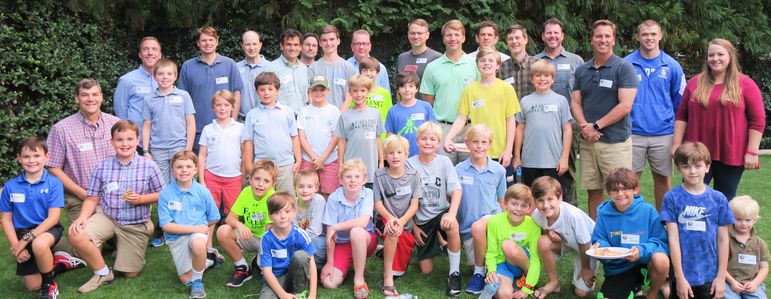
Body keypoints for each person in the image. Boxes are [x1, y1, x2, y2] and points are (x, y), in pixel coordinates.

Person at [68, 120, 164, 293]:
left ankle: (123, 248)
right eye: (119, 140)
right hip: (108, 216)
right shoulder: (102, 167)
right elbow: (92, 198)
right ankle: (103, 272)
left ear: (137, 141)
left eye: (129, 139)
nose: (125, 144)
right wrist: (82, 218)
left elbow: (163, 195)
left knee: (130, 273)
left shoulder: (149, 166)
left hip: (134, 223)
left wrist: (141, 199)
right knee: (77, 234)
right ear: (112, 142)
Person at [672, 38, 765, 200]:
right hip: (696, 153)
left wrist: (752, 151)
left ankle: (722, 227)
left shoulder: (746, 84)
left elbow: (757, 119)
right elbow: (682, 115)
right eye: (711, 55)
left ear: (730, 56)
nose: (715, 59)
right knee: (691, 197)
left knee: (725, 201)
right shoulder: (695, 83)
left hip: (731, 153)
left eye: (720, 54)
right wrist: (676, 144)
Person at [571, 19, 638, 219]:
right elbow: (575, 103)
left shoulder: (623, 67)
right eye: (599, 36)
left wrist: (596, 125)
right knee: (594, 191)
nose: (603, 40)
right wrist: (585, 127)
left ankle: (626, 233)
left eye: (607, 36)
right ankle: (598, 234)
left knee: (622, 190)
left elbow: (625, 105)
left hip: (615, 142)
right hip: (589, 141)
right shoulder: (582, 70)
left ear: (613, 40)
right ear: (592, 39)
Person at [624, 20, 686, 210]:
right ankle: (634, 223)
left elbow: (680, 101)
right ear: (638, 37)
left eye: (653, 34)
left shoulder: (672, 66)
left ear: (660, 36)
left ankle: (664, 224)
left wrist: (668, 121)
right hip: (633, 132)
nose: (649, 38)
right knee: (630, 183)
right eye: (645, 34)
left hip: (663, 133)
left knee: (663, 181)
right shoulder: (627, 63)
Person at [663, 142, 734, 299]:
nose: (692, 171)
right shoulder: (672, 197)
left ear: (707, 167)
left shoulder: (718, 199)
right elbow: (673, 239)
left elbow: (723, 239)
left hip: (710, 273)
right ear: (679, 168)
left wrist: (721, 277)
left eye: (697, 166)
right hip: (683, 273)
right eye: (686, 166)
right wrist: (680, 278)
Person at [47, 79, 120, 224]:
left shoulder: (116, 124)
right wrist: (82, 194)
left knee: (124, 236)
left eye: (95, 94)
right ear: (77, 98)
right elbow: (52, 167)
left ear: (101, 97)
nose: (90, 99)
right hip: (80, 197)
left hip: (115, 193)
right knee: (83, 239)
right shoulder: (61, 129)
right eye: (85, 95)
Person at [444, 47, 520, 185]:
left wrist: (508, 149)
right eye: (482, 60)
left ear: (497, 65)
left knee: (504, 196)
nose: (486, 63)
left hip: (500, 152)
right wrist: (448, 137)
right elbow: (462, 117)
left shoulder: (506, 89)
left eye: (491, 60)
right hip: (478, 152)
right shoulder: (469, 90)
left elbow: (510, 121)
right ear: (477, 65)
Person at [1, 137, 65, 298]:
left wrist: (24, 241)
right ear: (19, 159)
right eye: (26, 156)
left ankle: (49, 286)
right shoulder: (10, 186)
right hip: (22, 233)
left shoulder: (54, 183)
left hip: (49, 229)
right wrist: (16, 245)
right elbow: (6, 220)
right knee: (32, 286)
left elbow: (52, 218)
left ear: (46, 158)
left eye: (37, 156)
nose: (32, 161)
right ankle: (60, 263)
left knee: (39, 244)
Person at [591, 167, 670, 299]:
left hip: (646, 261)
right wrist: (601, 248)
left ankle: (652, 293)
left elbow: (661, 242)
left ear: (635, 190)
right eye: (615, 190)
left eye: (625, 189)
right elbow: (599, 240)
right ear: (609, 193)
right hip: (620, 268)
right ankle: (634, 288)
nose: (620, 194)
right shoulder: (604, 215)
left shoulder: (648, 211)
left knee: (661, 259)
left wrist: (641, 250)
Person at [406, 122, 463, 296]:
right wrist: (413, 226)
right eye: (424, 139)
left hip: (441, 214)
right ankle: (439, 243)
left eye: (432, 139)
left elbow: (457, 191)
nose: (428, 143)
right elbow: (404, 200)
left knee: (452, 225)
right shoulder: (409, 164)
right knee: (426, 270)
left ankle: (454, 273)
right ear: (417, 142)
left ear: (438, 143)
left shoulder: (444, 162)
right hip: (421, 219)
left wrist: (452, 215)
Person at [534, 18, 584, 206]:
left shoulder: (576, 61)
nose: (553, 36)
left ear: (562, 35)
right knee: (543, 174)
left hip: (568, 127)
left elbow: (581, 94)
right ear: (543, 36)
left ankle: (570, 216)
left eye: (556, 32)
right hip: (542, 128)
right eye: (549, 33)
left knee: (567, 174)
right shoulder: (536, 60)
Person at [158, 150, 220, 299]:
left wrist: (201, 230)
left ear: (196, 170)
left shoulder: (203, 192)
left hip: (197, 234)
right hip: (176, 237)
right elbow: (166, 226)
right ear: (172, 170)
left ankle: (198, 282)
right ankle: (210, 260)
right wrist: (194, 228)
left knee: (198, 244)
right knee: (186, 279)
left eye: (188, 166)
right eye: (179, 167)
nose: (184, 170)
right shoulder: (165, 194)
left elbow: (214, 217)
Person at [455, 124, 507, 294]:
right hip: (468, 229)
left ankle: (479, 273)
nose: (479, 146)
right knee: (478, 264)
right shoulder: (458, 170)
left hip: (491, 222)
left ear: (490, 144)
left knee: (489, 266)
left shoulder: (498, 170)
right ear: (467, 143)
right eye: (475, 142)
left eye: (484, 142)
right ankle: (479, 270)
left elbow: (501, 200)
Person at [420, 19, 480, 164]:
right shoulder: (432, 67)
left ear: (463, 38)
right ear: (443, 39)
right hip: (443, 128)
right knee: (444, 174)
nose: (453, 39)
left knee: (469, 174)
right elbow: (428, 103)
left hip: (469, 128)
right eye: (449, 35)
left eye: (457, 35)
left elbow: (481, 96)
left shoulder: (475, 64)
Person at [178, 26, 242, 151]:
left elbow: (236, 94)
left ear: (217, 41)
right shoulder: (188, 66)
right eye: (204, 40)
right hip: (197, 130)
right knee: (198, 168)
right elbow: (182, 100)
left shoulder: (229, 64)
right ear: (198, 43)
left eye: (211, 40)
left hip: (225, 128)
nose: (208, 43)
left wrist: (232, 122)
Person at [320, 159, 377, 299]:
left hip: (366, 239)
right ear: (340, 179)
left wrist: (336, 226)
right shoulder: (334, 198)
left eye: (357, 177)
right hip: (343, 243)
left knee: (356, 231)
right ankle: (352, 259)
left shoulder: (368, 193)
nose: (353, 180)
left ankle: (359, 279)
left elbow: (363, 222)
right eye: (348, 177)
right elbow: (330, 234)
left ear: (364, 180)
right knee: (329, 283)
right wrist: (330, 262)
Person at [531, 176, 596, 298]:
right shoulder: (537, 215)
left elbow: (585, 242)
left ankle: (583, 267)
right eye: (540, 200)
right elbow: (545, 228)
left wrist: (586, 269)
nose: (545, 205)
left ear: (560, 198)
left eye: (550, 199)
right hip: (566, 242)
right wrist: (548, 233)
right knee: (543, 242)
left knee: (581, 293)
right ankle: (553, 282)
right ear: (535, 201)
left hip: (589, 247)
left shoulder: (572, 215)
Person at [513, 60, 572, 193]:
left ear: (552, 79)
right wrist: (517, 156)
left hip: (553, 161)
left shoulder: (561, 100)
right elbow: (520, 128)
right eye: (538, 76)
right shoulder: (525, 101)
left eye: (546, 76)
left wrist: (564, 158)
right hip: (530, 161)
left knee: (552, 195)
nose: (542, 79)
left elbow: (567, 129)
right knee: (530, 195)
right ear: (532, 79)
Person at [216, 160, 278, 288]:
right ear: (250, 179)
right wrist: (240, 225)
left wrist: (264, 259)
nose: (260, 184)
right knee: (223, 231)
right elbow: (230, 219)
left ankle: (259, 262)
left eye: (266, 181)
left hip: (268, 240)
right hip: (249, 236)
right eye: (257, 179)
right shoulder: (246, 192)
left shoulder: (272, 198)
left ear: (273, 185)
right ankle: (242, 268)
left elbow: (269, 233)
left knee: (267, 274)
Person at [373, 135, 421, 296]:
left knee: (399, 270)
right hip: (385, 219)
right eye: (391, 153)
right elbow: (378, 203)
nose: (395, 156)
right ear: (385, 156)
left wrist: (401, 221)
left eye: (399, 152)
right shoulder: (379, 175)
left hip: (405, 223)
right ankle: (387, 278)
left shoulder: (414, 175)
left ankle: (383, 251)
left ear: (406, 154)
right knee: (393, 230)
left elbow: (415, 205)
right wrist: (392, 219)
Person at [242, 72, 301, 195]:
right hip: (262, 167)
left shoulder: (287, 111)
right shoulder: (252, 115)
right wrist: (248, 166)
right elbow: (248, 141)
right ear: (257, 92)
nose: (266, 93)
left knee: (285, 199)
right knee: (263, 201)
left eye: (270, 89)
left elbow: (294, 137)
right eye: (262, 90)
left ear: (277, 91)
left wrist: (298, 160)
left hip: (285, 165)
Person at [141, 58, 196, 185]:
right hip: (157, 148)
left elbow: (191, 123)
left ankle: (182, 204)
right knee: (162, 184)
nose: (165, 77)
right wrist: (145, 151)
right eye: (160, 74)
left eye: (169, 74)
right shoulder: (149, 99)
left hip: (179, 147)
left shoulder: (183, 96)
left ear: (175, 76)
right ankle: (166, 205)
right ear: (154, 76)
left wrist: (188, 148)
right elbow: (146, 125)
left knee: (181, 181)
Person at [483, 184, 541, 298]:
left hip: (522, 262)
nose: (518, 209)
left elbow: (535, 259)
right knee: (505, 295)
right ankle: (514, 282)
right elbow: (491, 252)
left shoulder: (534, 226)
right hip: (502, 265)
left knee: (508, 245)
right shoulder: (494, 222)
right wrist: (491, 271)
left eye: (524, 205)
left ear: (529, 208)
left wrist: (527, 289)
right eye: (514, 204)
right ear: (505, 204)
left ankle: (527, 278)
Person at [259, 192, 318, 299]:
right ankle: (284, 292)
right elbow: (266, 271)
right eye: (277, 212)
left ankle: (299, 293)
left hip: (295, 274)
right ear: (270, 216)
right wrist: (282, 294)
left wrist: (312, 295)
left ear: (294, 213)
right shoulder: (266, 238)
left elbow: (312, 265)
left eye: (287, 211)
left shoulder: (300, 234)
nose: (283, 216)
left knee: (301, 255)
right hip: (276, 277)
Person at [335, 74, 385, 187]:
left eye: (363, 90)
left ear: (369, 91)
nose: (359, 94)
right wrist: (340, 165)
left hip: (371, 167)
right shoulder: (344, 116)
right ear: (350, 92)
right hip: (351, 168)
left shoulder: (375, 113)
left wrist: (381, 161)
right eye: (355, 91)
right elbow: (341, 142)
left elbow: (378, 138)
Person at [298, 75, 341, 197]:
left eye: (322, 89)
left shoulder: (334, 111)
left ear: (328, 91)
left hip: (330, 160)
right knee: (308, 193)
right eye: (314, 90)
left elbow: (336, 137)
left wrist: (322, 158)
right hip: (308, 160)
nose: (318, 93)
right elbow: (302, 137)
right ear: (309, 91)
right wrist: (314, 157)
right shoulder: (304, 111)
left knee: (330, 194)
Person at [114, 37, 162, 143]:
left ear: (160, 54)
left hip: (162, 142)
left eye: (154, 49)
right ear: (140, 54)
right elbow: (120, 112)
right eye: (146, 49)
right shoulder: (127, 80)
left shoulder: (166, 80)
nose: (150, 53)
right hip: (136, 143)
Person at [725, 196, 769, 298]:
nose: (743, 224)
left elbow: (764, 268)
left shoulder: (760, 243)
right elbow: (719, 265)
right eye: (738, 219)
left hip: (752, 282)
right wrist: (732, 281)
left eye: (748, 220)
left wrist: (755, 283)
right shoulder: (725, 240)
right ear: (731, 218)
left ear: (754, 220)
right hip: (728, 282)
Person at [385, 71, 436, 157]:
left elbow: (433, 130)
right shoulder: (393, 111)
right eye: (403, 86)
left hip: (423, 154)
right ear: (398, 90)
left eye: (411, 86)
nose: (407, 90)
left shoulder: (426, 107)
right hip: (401, 157)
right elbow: (390, 135)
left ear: (417, 89)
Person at [309, 24, 357, 108]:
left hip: (341, 117)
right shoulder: (313, 68)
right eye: (324, 40)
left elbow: (350, 95)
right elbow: (310, 94)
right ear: (320, 43)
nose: (328, 43)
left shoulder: (348, 68)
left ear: (338, 41)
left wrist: (339, 116)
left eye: (332, 39)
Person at [265, 28, 310, 114]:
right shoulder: (271, 69)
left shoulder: (304, 69)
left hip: (302, 120)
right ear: (282, 46)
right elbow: (265, 97)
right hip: (280, 119)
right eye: (289, 44)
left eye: (296, 45)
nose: (293, 48)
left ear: (300, 47)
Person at [396, 18, 442, 98]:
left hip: (427, 109)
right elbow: (398, 88)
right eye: (413, 33)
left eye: (419, 33)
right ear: (408, 35)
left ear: (427, 35)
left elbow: (441, 88)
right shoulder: (401, 58)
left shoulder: (436, 58)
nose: (416, 36)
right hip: (405, 108)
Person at [293, 170, 327, 266]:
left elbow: (315, 232)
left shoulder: (318, 200)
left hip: (319, 240)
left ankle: (317, 266)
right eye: (301, 186)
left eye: (309, 187)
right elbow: (291, 228)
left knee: (315, 244)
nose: (305, 190)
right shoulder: (293, 203)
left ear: (316, 188)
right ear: (295, 188)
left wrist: (293, 242)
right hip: (300, 240)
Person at [236, 30, 270, 121]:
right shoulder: (236, 68)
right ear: (242, 46)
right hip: (242, 122)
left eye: (254, 44)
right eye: (247, 44)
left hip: (266, 120)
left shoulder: (271, 68)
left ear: (260, 45)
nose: (251, 48)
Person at [498, 25, 538, 99]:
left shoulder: (538, 65)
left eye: (517, 38)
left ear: (525, 39)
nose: (514, 41)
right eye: (510, 39)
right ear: (507, 42)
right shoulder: (501, 68)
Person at [347, 29, 390, 94]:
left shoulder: (381, 68)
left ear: (369, 46)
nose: (361, 47)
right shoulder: (345, 66)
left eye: (364, 43)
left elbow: (386, 95)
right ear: (352, 46)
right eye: (358, 44)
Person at [357, 57, 392, 136]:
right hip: (360, 135)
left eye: (372, 70)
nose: (368, 73)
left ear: (378, 73)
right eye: (365, 70)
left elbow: (389, 117)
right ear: (360, 73)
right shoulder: (356, 92)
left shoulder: (384, 93)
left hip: (380, 136)